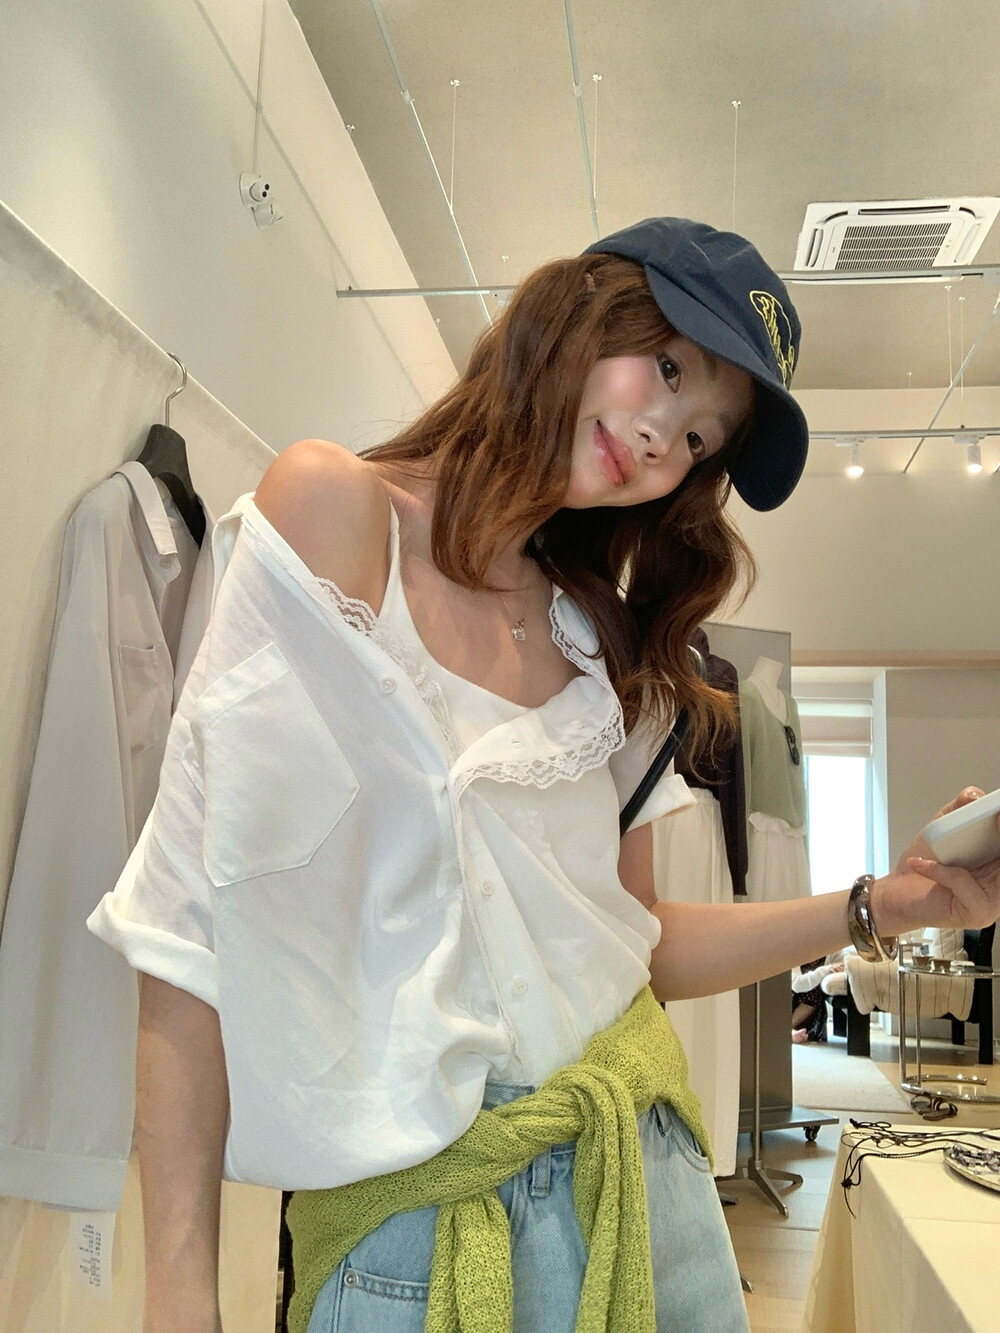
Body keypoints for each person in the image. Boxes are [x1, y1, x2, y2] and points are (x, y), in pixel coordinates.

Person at [87, 218, 1000, 1333]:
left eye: (699, 438)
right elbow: (189, 925)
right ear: (580, 308)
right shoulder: (337, 518)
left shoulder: (598, 640)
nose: (662, 436)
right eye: (668, 366)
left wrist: (882, 905)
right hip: (415, 1229)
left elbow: (637, 940)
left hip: (647, 1178)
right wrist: (179, 1292)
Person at [791, 950, 847, 1043]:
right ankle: (785, 1030)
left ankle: (788, 1030)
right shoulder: (793, 949)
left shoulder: (833, 950)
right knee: (810, 984)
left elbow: (845, 966)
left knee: (815, 988)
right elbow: (797, 985)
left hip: (810, 1009)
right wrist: (826, 970)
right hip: (787, 1000)